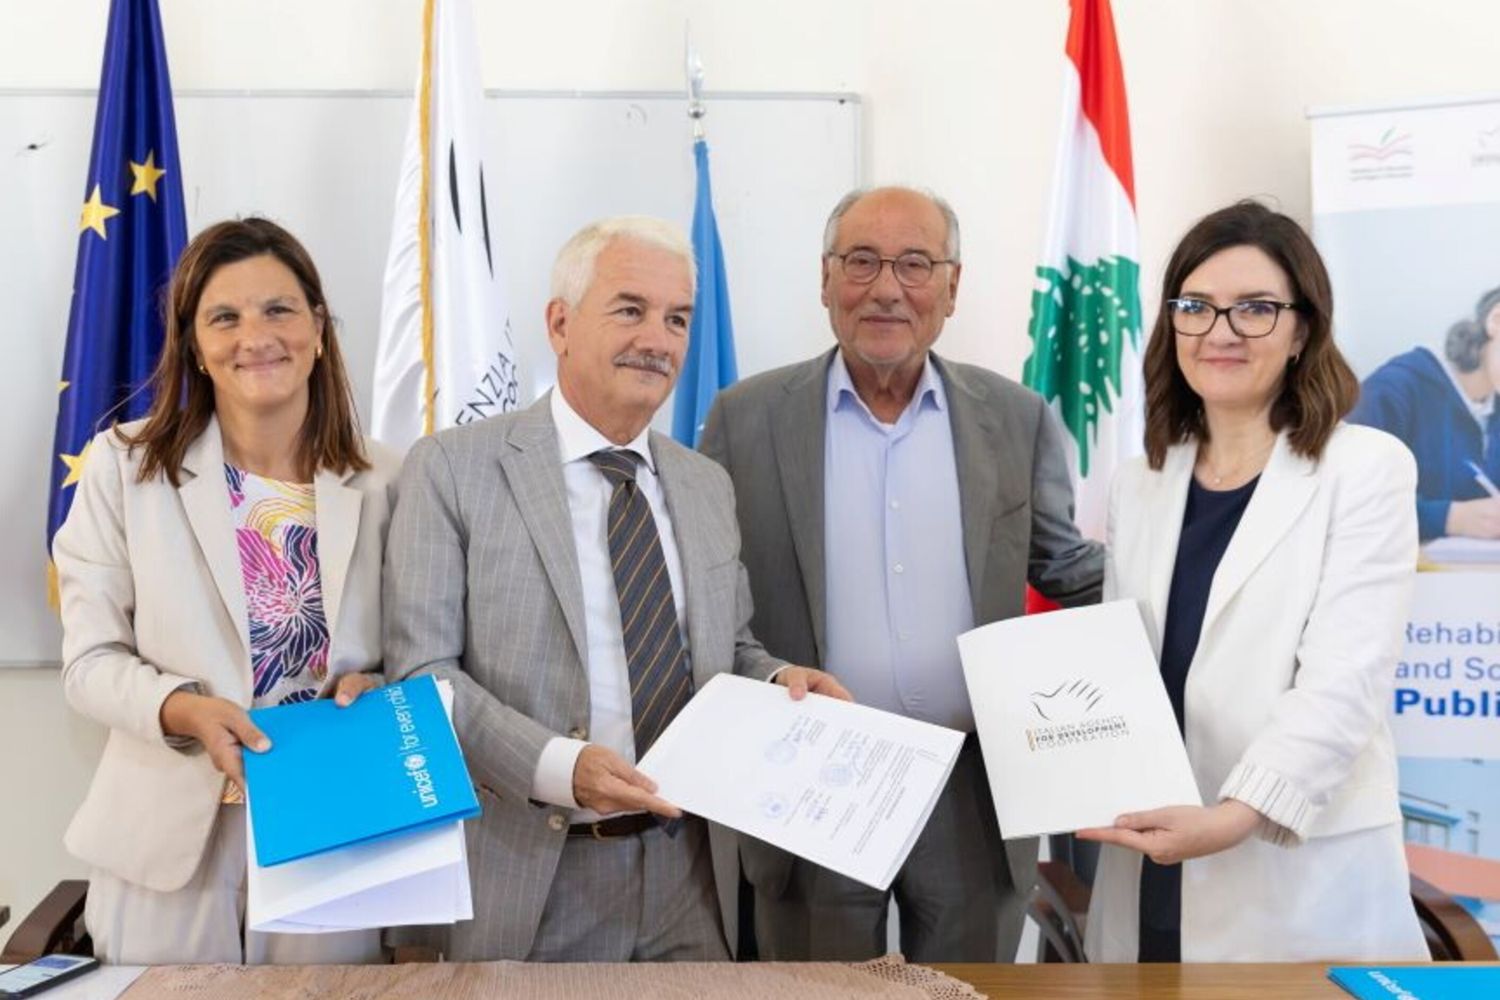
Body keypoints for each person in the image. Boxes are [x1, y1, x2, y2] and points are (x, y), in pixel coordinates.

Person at [383, 215, 848, 963]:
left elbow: (729, 649)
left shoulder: (704, 483)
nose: (658, 340)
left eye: (677, 319)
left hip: (693, 874)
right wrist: (560, 768)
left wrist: (781, 679)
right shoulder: (453, 468)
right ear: (560, 324)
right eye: (630, 309)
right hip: (532, 873)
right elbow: (421, 677)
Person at [699, 186, 1103, 963]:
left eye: (915, 263)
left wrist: (1185, 585)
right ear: (825, 281)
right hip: (814, 780)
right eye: (861, 262)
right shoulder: (744, 418)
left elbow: (1065, 568)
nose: (886, 287)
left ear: (951, 287)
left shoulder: (1016, 418)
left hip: (972, 785)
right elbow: (716, 598)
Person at [1077, 201, 1427, 962]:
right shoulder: (1141, 483)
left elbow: (1345, 683)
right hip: (1148, 861)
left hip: (1291, 870)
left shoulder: (1365, 469)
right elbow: (1123, 673)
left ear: (1303, 329)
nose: (1221, 331)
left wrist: (1235, 816)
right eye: (1196, 307)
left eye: (1256, 309)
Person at [53, 218, 400, 965]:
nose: (256, 336)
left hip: (334, 832)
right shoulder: (121, 467)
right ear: (195, 346)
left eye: (278, 309)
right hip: (167, 852)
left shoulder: (390, 479)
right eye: (225, 317)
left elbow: (421, 651)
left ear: (318, 326)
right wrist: (183, 707)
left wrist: (383, 686)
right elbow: (89, 663)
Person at [1348, 287, 1500, 540]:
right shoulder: (1394, 391)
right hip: (1403, 574)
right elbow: (1343, 499)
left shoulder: (1493, 398)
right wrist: (1448, 518)